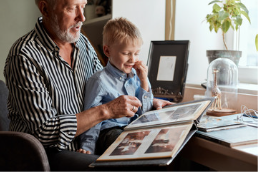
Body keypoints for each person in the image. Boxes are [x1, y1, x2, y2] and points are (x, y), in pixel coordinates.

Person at [4, 0, 172, 171]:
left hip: (93, 141)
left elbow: (108, 86)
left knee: (160, 149)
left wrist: (146, 100)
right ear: (45, 8)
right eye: (71, 8)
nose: (82, 17)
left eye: (83, 6)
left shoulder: (82, 43)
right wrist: (106, 110)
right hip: (49, 155)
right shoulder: (24, 56)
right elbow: (45, 131)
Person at [78, 17, 153, 155]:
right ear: (107, 51)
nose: (133, 59)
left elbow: (145, 113)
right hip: (109, 132)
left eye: (136, 53)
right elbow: (92, 117)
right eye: (126, 53)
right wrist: (87, 147)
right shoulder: (99, 80)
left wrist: (144, 80)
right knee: (129, 145)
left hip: (131, 129)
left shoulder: (136, 76)